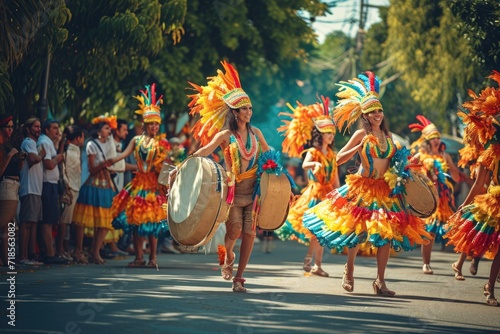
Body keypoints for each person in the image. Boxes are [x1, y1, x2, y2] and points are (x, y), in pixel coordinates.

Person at [303, 71, 431, 296]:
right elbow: (338, 158)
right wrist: (358, 147)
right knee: (356, 233)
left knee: (386, 235)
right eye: (372, 111)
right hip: (362, 187)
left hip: (385, 190)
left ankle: (380, 281)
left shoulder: (389, 137)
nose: (377, 114)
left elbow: (395, 164)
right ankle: (349, 270)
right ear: (365, 114)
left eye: (379, 110)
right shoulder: (361, 133)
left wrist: (410, 167)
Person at [189, 61, 270, 292]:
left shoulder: (256, 133)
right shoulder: (226, 134)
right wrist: (186, 163)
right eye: (244, 109)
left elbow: (269, 152)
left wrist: (277, 171)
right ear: (234, 112)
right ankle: (226, 257)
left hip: (253, 193)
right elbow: (206, 150)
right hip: (233, 192)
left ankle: (239, 278)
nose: (248, 112)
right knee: (234, 231)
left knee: (250, 233)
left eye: (250, 108)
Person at [445, 70, 500, 306]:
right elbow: (479, 184)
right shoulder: (490, 154)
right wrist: (463, 206)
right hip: (494, 202)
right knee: (485, 239)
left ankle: (486, 282)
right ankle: (489, 287)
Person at [276, 98, 340, 276]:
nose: (331, 136)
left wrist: (341, 194)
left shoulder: (332, 155)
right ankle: (310, 261)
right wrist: (315, 165)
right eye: (327, 133)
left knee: (323, 232)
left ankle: (316, 265)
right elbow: (305, 165)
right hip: (315, 194)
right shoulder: (313, 152)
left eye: (332, 133)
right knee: (317, 230)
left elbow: (335, 179)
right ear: (320, 135)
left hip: (328, 195)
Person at [111, 83, 169, 268]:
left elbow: (165, 166)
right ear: (145, 124)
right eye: (151, 124)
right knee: (136, 223)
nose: (154, 127)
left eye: (156, 124)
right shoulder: (136, 141)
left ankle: (152, 258)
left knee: (152, 224)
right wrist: (108, 161)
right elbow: (122, 155)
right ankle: (138, 257)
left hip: (152, 186)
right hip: (137, 185)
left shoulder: (162, 144)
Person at [408, 115, 460, 274]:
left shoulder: (445, 156)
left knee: (455, 230)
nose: (436, 140)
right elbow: (408, 167)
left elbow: (456, 178)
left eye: (437, 137)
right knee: (428, 232)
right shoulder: (422, 156)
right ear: (427, 140)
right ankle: (426, 263)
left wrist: (452, 170)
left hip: (444, 200)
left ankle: (461, 264)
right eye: (432, 138)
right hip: (428, 200)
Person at [72, 116, 117, 264]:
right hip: (93, 184)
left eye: (109, 128)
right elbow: (92, 169)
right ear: (99, 131)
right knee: (82, 219)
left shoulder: (109, 143)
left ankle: (95, 250)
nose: (109, 131)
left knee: (104, 222)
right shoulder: (91, 144)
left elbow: (114, 160)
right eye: (106, 128)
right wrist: (104, 163)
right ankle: (78, 250)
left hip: (105, 185)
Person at [18, 117, 46, 266]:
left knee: (32, 223)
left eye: (39, 126)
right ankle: (22, 257)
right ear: (28, 129)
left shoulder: (33, 143)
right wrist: (42, 155)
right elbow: (33, 159)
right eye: (35, 127)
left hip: (35, 189)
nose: (38, 129)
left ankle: (30, 255)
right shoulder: (28, 142)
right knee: (26, 223)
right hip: (29, 187)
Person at [57, 125, 86, 263]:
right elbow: (63, 171)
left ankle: (65, 249)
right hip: (70, 189)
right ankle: (59, 250)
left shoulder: (75, 150)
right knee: (64, 221)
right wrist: (67, 188)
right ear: (78, 137)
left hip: (75, 187)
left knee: (67, 221)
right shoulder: (69, 151)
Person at [0, 114, 24, 266]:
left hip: (15, 185)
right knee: (4, 224)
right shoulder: (3, 147)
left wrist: (20, 159)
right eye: (7, 127)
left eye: (11, 127)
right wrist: (10, 156)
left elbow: (18, 169)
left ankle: (6, 259)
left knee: (9, 226)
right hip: (6, 184)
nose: (10, 130)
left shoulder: (8, 144)